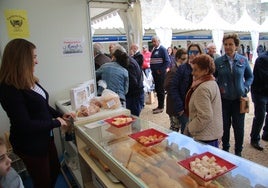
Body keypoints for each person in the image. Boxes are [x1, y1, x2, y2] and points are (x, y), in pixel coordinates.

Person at [0, 38, 73, 188]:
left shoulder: (29, 80)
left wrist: (58, 115)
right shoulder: (8, 89)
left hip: (45, 138)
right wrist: (56, 123)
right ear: (22, 60)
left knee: (54, 170)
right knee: (43, 181)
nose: (37, 61)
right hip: (30, 144)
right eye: (33, 57)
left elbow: (42, 105)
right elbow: (25, 124)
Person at [214, 33, 253, 157]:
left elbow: (250, 77)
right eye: (225, 44)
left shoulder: (243, 60)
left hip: (239, 100)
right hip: (224, 101)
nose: (228, 47)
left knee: (239, 127)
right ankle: (225, 150)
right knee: (225, 126)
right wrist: (217, 87)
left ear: (236, 46)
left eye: (231, 44)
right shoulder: (218, 61)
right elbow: (213, 77)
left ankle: (238, 152)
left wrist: (245, 87)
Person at [184, 54, 223, 147]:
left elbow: (205, 116)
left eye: (196, 70)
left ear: (206, 70)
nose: (192, 73)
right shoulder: (212, 82)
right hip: (211, 134)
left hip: (204, 137)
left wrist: (190, 128)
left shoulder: (203, 88)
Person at [170, 43, 204, 133]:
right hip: (186, 110)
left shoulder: (205, 69)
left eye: (195, 52)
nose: (192, 54)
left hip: (200, 109)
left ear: (201, 53)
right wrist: (180, 108)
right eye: (190, 52)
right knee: (187, 135)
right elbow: (173, 87)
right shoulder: (182, 68)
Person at [164, 48, 187, 132]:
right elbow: (166, 86)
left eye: (186, 59)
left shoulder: (183, 70)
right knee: (174, 129)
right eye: (183, 59)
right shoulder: (174, 71)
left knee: (182, 128)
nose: (185, 61)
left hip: (180, 105)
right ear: (177, 59)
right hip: (173, 106)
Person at [250, 50, 268, 150]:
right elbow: (264, 77)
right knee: (260, 116)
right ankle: (254, 138)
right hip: (259, 92)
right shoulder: (262, 59)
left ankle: (266, 134)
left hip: (265, 91)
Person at [150, 35, 170, 114]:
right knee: (157, 90)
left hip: (160, 74)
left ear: (159, 41)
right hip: (155, 74)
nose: (153, 43)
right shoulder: (154, 49)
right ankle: (159, 105)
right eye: (152, 41)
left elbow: (167, 61)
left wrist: (160, 70)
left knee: (160, 90)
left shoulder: (162, 49)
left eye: (154, 41)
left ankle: (161, 107)